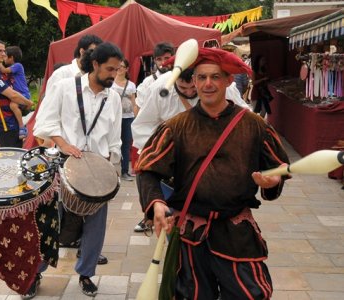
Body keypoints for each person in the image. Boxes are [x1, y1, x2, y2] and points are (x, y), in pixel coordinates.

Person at [135, 47, 290, 299]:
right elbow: (147, 169)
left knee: (251, 294)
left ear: (229, 81)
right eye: (201, 77)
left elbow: (279, 167)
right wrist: (156, 203)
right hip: (191, 236)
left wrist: (272, 181)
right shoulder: (176, 126)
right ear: (194, 81)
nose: (208, 83)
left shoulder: (254, 125)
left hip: (237, 233)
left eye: (215, 77)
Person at [34, 42, 123, 297]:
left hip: (98, 167)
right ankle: (35, 272)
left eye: (117, 70)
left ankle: (86, 274)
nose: (113, 75)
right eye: (109, 69)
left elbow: (115, 137)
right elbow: (45, 123)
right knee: (50, 223)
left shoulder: (113, 97)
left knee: (97, 224)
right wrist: (65, 145)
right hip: (63, 165)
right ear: (94, 64)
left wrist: (111, 166)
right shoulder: (65, 87)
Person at [131, 67, 251, 233]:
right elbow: (142, 125)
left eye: (192, 87)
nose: (189, 92)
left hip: (214, 170)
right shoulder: (161, 88)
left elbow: (245, 117)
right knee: (175, 229)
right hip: (172, 173)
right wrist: (164, 150)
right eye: (182, 88)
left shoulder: (222, 87)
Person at [0, 39, 33, 147]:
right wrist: (29, 103)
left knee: (18, 156)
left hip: (12, 122)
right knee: (11, 159)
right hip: (5, 125)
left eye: (4, 51)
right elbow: (12, 95)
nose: (3, 54)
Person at [111, 59, 136, 181]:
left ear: (126, 69)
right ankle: (110, 171)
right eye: (118, 66)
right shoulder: (110, 83)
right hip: (113, 118)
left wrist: (136, 118)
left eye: (122, 67)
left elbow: (134, 102)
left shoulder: (131, 85)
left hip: (128, 118)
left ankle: (125, 171)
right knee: (111, 144)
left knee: (126, 145)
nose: (119, 69)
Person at [0, 45, 31, 139]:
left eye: (5, 56)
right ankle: (22, 123)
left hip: (23, 94)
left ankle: (22, 127)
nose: (3, 58)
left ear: (11, 57)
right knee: (13, 106)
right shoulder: (12, 69)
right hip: (18, 95)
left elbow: (4, 70)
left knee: (13, 105)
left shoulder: (17, 66)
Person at [135, 41, 174, 114]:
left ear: (173, 58)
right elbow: (139, 108)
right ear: (155, 61)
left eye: (167, 58)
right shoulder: (148, 82)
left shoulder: (179, 79)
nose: (163, 62)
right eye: (159, 59)